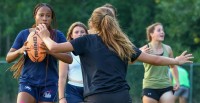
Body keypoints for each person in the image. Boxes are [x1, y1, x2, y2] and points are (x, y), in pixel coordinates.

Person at [36, 7, 193, 103]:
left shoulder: (85, 40)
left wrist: (44, 35)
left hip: (97, 98)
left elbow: (54, 48)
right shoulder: (122, 43)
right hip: (122, 97)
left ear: (92, 23)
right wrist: (176, 61)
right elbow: (156, 59)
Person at [6, 3, 72, 103]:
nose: (44, 18)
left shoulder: (57, 35)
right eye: (41, 15)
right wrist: (20, 50)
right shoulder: (24, 34)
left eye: (48, 16)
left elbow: (69, 59)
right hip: (28, 82)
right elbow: (8, 58)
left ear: (51, 18)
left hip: (49, 84)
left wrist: (50, 51)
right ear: (35, 16)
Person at [140, 22, 180, 103]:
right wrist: (140, 52)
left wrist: (177, 81)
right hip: (149, 86)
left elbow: (173, 66)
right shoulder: (144, 49)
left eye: (163, 30)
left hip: (166, 86)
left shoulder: (168, 49)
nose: (162, 32)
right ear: (151, 34)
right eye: (159, 30)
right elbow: (131, 58)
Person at [58, 22, 88, 103]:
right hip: (73, 90)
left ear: (87, 34)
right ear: (71, 35)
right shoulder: (66, 53)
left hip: (90, 89)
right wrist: (61, 98)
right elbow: (62, 77)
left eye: (82, 32)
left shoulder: (92, 51)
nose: (80, 34)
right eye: (76, 32)